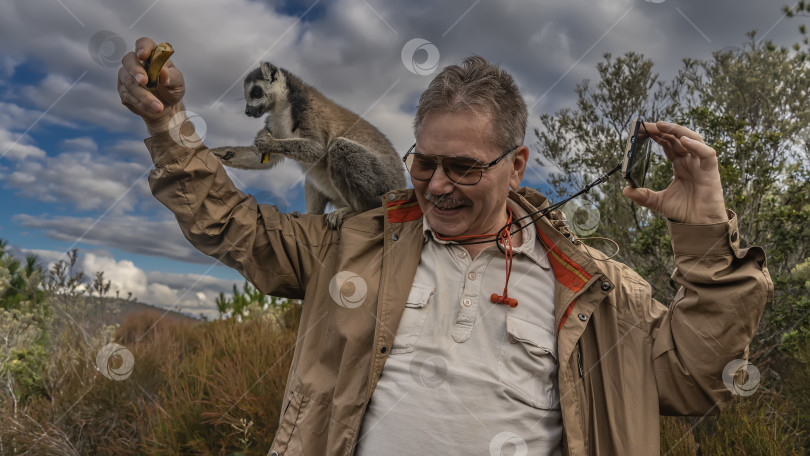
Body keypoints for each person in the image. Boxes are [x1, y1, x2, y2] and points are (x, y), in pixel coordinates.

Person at [118, 37, 772, 456]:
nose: (434, 185)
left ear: (516, 167)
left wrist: (707, 237)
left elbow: (692, 376)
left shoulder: (598, 290)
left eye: (463, 167)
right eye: (423, 162)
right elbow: (234, 227)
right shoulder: (356, 246)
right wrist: (167, 125)